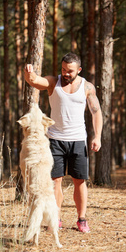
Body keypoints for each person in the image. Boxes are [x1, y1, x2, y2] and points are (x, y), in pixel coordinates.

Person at [24, 52, 103, 232]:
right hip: (55, 140)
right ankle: (56, 218)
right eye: (63, 69)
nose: (66, 73)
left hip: (78, 140)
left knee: (79, 181)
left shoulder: (87, 87)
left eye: (70, 71)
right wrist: (28, 74)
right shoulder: (54, 82)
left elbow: (96, 112)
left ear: (79, 70)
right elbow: (36, 81)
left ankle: (81, 219)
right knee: (55, 181)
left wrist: (97, 136)